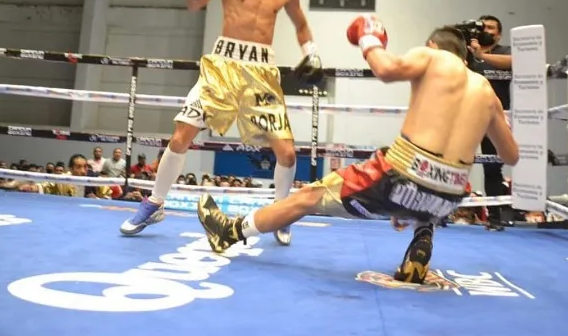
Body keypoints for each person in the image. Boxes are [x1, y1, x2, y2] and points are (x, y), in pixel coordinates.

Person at [196, 16, 518, 283]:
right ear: (466, 56)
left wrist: (368, 38)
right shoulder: (488, 93)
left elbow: (386, 69)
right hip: (448, 196)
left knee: (308, 197)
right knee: (428, 185)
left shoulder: (432, 56)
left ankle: (230, 231)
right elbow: (510, 156)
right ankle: (422, 239)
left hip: (401, 177)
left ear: (433, 46)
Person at [120, 0, 323, 246]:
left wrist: (311, 54)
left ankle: (280, 214)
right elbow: (194, 3)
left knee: (286, 153)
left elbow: (301, 25)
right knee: (180, 135)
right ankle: (155, 203)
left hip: (261, 73)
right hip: (223, 67)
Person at [467, 15, 512, 230]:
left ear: (499, 34)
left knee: (493, 168)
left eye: (491, 28)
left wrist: (481, 55)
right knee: (453, 163)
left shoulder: (505, 51)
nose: (487, 30)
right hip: (467, 115)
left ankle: (494, 217)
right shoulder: (468, 50)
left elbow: (513, 62)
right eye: (483, 27)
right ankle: (440, 213)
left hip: (495, 118)